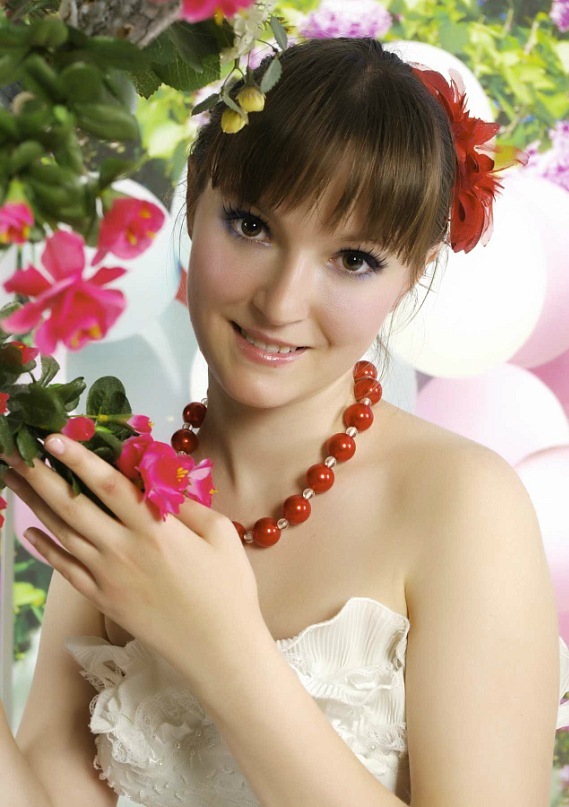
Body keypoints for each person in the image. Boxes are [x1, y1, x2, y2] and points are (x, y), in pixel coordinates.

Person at [1, 36, 569, 807]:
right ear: (194, 200)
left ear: (413, 274)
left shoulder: (463, 505)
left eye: (354, 259)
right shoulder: (124, 495)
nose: (280, 301)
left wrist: (220, 646)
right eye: (250, 225)